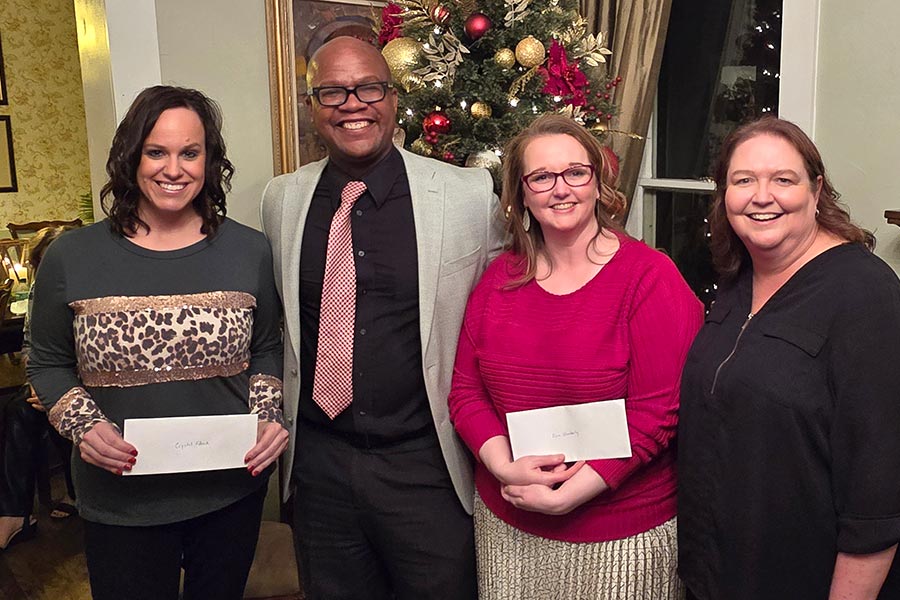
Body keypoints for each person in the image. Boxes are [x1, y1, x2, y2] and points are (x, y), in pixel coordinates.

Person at [260, 36, 503, 599]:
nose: (353, 104)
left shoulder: (466, 195)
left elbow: (508, 310)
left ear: (394, 98)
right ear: (313, 106)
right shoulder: (281, 200)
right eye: (333, 92)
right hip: (320, 466)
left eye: (368, 87)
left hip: (427, 466)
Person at [26, 85, 288, 600]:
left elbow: (266, 349)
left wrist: (268, 417)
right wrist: (84, 425)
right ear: (131, 156)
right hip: (121, 499)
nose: (174, 169)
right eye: (156, 152)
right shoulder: (72, 256)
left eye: (190, 152)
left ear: (209, 160)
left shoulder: (249, 249)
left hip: (229, 491)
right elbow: (49, 362)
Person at [447, 114, 703, 598]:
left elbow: (659, 412)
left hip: (620, 532)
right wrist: (503, 467)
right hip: (509, 523)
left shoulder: (649, 278)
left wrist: (575, 492)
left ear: (598, 181)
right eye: (541, 177)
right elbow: (465, 392)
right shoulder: (498, 280)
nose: (560, 189)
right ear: (521, 194)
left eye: (575, 172)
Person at [677, 116, 900, 599]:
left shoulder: (867, 295)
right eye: (743, 181)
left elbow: (877, 496)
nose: (762, 196)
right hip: (717, 572)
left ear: (816, 190)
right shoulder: (738, 277)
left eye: (783, 179)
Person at [0, 226, 78, 551]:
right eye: (44, 264)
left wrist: (58, 390)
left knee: (61, 410)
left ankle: (77, 493)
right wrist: (40, 383)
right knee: (20, 408)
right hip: (52, 377)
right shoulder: (38, 291)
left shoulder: (95, 287)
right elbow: (32, 343)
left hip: (86, 381)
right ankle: (14, 515)